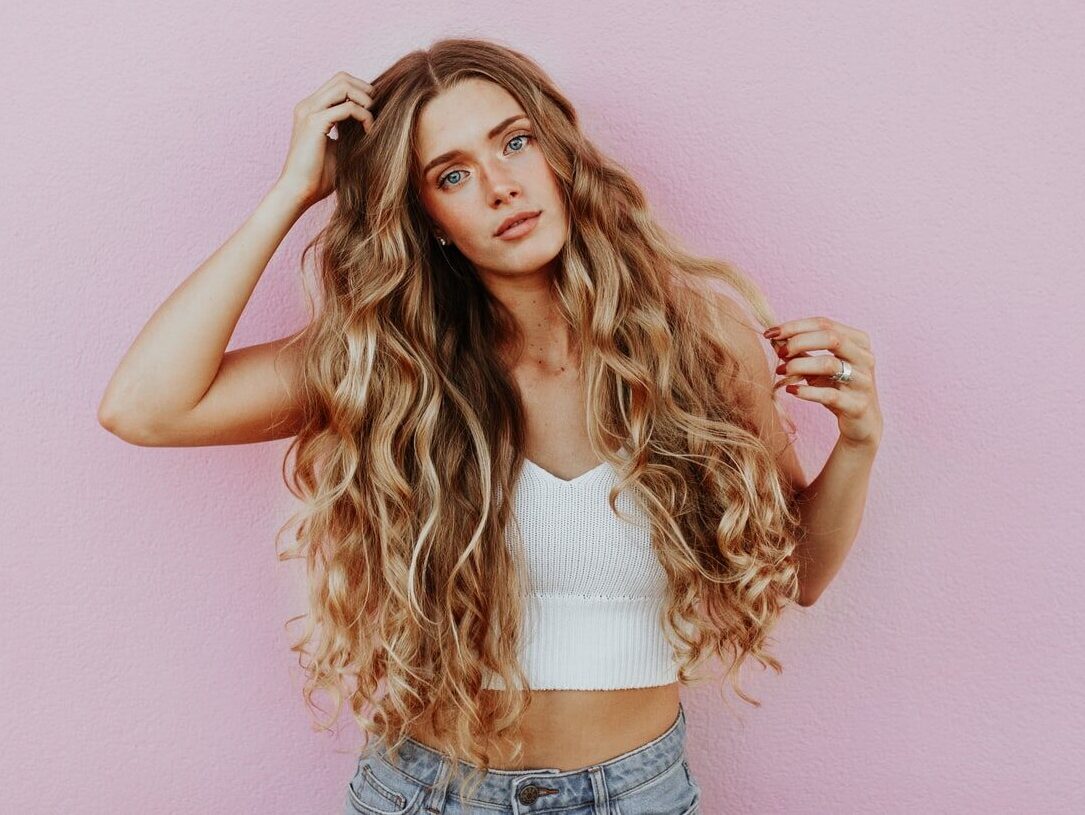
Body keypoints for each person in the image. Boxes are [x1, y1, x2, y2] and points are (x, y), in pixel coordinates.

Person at [98, 36, 882, 815]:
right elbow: (146, 407)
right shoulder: (390, 365)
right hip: (430, 793)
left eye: (514, 142)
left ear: (559, 153)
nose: (502, 186)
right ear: (426, 217)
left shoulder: (698, 343)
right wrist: (294, 190)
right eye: (453, 174)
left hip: (636, 794)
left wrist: (856, 443)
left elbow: (799, 575)